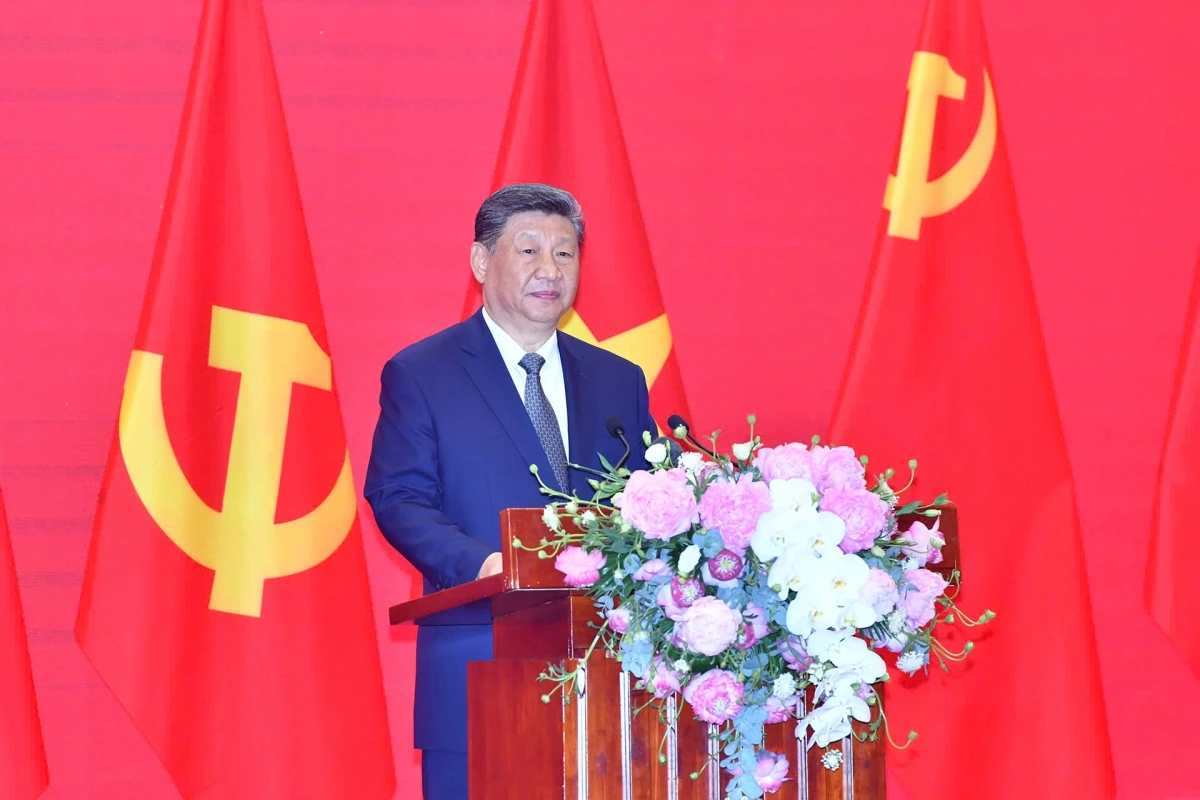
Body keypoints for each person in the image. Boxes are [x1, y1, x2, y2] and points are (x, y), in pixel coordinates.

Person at [364, 183, 656, 799]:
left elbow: (654, 500)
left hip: (610, 671)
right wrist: (485, 565)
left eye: (565, 253)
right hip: (477, 661)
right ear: (481, 261)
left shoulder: (618, 380)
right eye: (529, 250)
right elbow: (399, 497)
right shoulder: (423, 373)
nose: (550, 269)